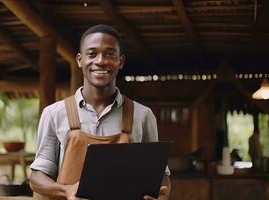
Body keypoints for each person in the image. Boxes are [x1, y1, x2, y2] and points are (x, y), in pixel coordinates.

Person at [29, 24, 171, 200]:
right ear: (80, 60)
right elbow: (36, 178)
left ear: (121, 61)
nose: (101, 60)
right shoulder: (54, 113)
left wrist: (162, 194)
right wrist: (66, 191)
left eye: (110, 54)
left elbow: (161, 176)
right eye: (92, 54)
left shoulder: (143, 115)